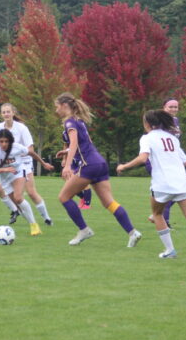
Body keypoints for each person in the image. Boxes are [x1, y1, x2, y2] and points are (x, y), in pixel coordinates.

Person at [117, 109, 186, 261]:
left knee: (157, 214)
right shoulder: (173, 139)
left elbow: (143, 158)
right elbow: (185, 161)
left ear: (148, 124)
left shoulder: (147, 138)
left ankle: (170, 250)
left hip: (162, 184)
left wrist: (124, 166)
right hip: (181, 182)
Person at [54, 92, 142, 247]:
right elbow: (86, 143)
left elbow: (74, 143)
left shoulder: (69, 122)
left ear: (64, 105)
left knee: (64, 197)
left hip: (89, 165)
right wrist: (66, 152)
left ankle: (84, 230)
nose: (56, 111)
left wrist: (67, 165)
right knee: (109, 202)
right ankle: (132, 232)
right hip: (99, 163)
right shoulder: (79, 121)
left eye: (57, 107)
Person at [0, 103, 53, 225]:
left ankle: (46, 217)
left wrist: (17, 154)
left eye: (8, 111)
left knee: (31, 192)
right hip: (7, 163)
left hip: (24, 162)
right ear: (1, 114)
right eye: (4, 112)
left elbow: (30, 149)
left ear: (13, 113)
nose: (6, 114)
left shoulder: (21, 128)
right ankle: (15, 210)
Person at [0, 129, 54, 236]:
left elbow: (31, 153)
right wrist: (5, 169)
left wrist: (43, 163)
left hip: (18, 172)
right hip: (4, 178)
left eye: (6, 141)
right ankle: (32, 222)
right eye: (1, 141)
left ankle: (34, 225)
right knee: (17, 204)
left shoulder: (16, 147)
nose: (3, 144)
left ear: (10, 141)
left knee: (18, 197)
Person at [147, 98, 182, 226]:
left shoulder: (176, 121)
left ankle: (156, 214)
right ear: (163, 108)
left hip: (171, 161)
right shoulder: (159, 122)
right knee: (170, 191)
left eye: (176, 107)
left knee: (179, 190)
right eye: (170, 107)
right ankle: (163, 221)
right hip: (158, 162)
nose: (173, 109)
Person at [57, 125, 92, 210]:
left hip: (83, 157)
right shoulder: (65, 132)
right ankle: (83, 198)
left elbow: (79, 144)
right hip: (72, 157)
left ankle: (87, 204)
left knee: (82, 180)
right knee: (66, 177)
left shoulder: (78, 130)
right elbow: (66, 145)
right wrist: (64, 159)